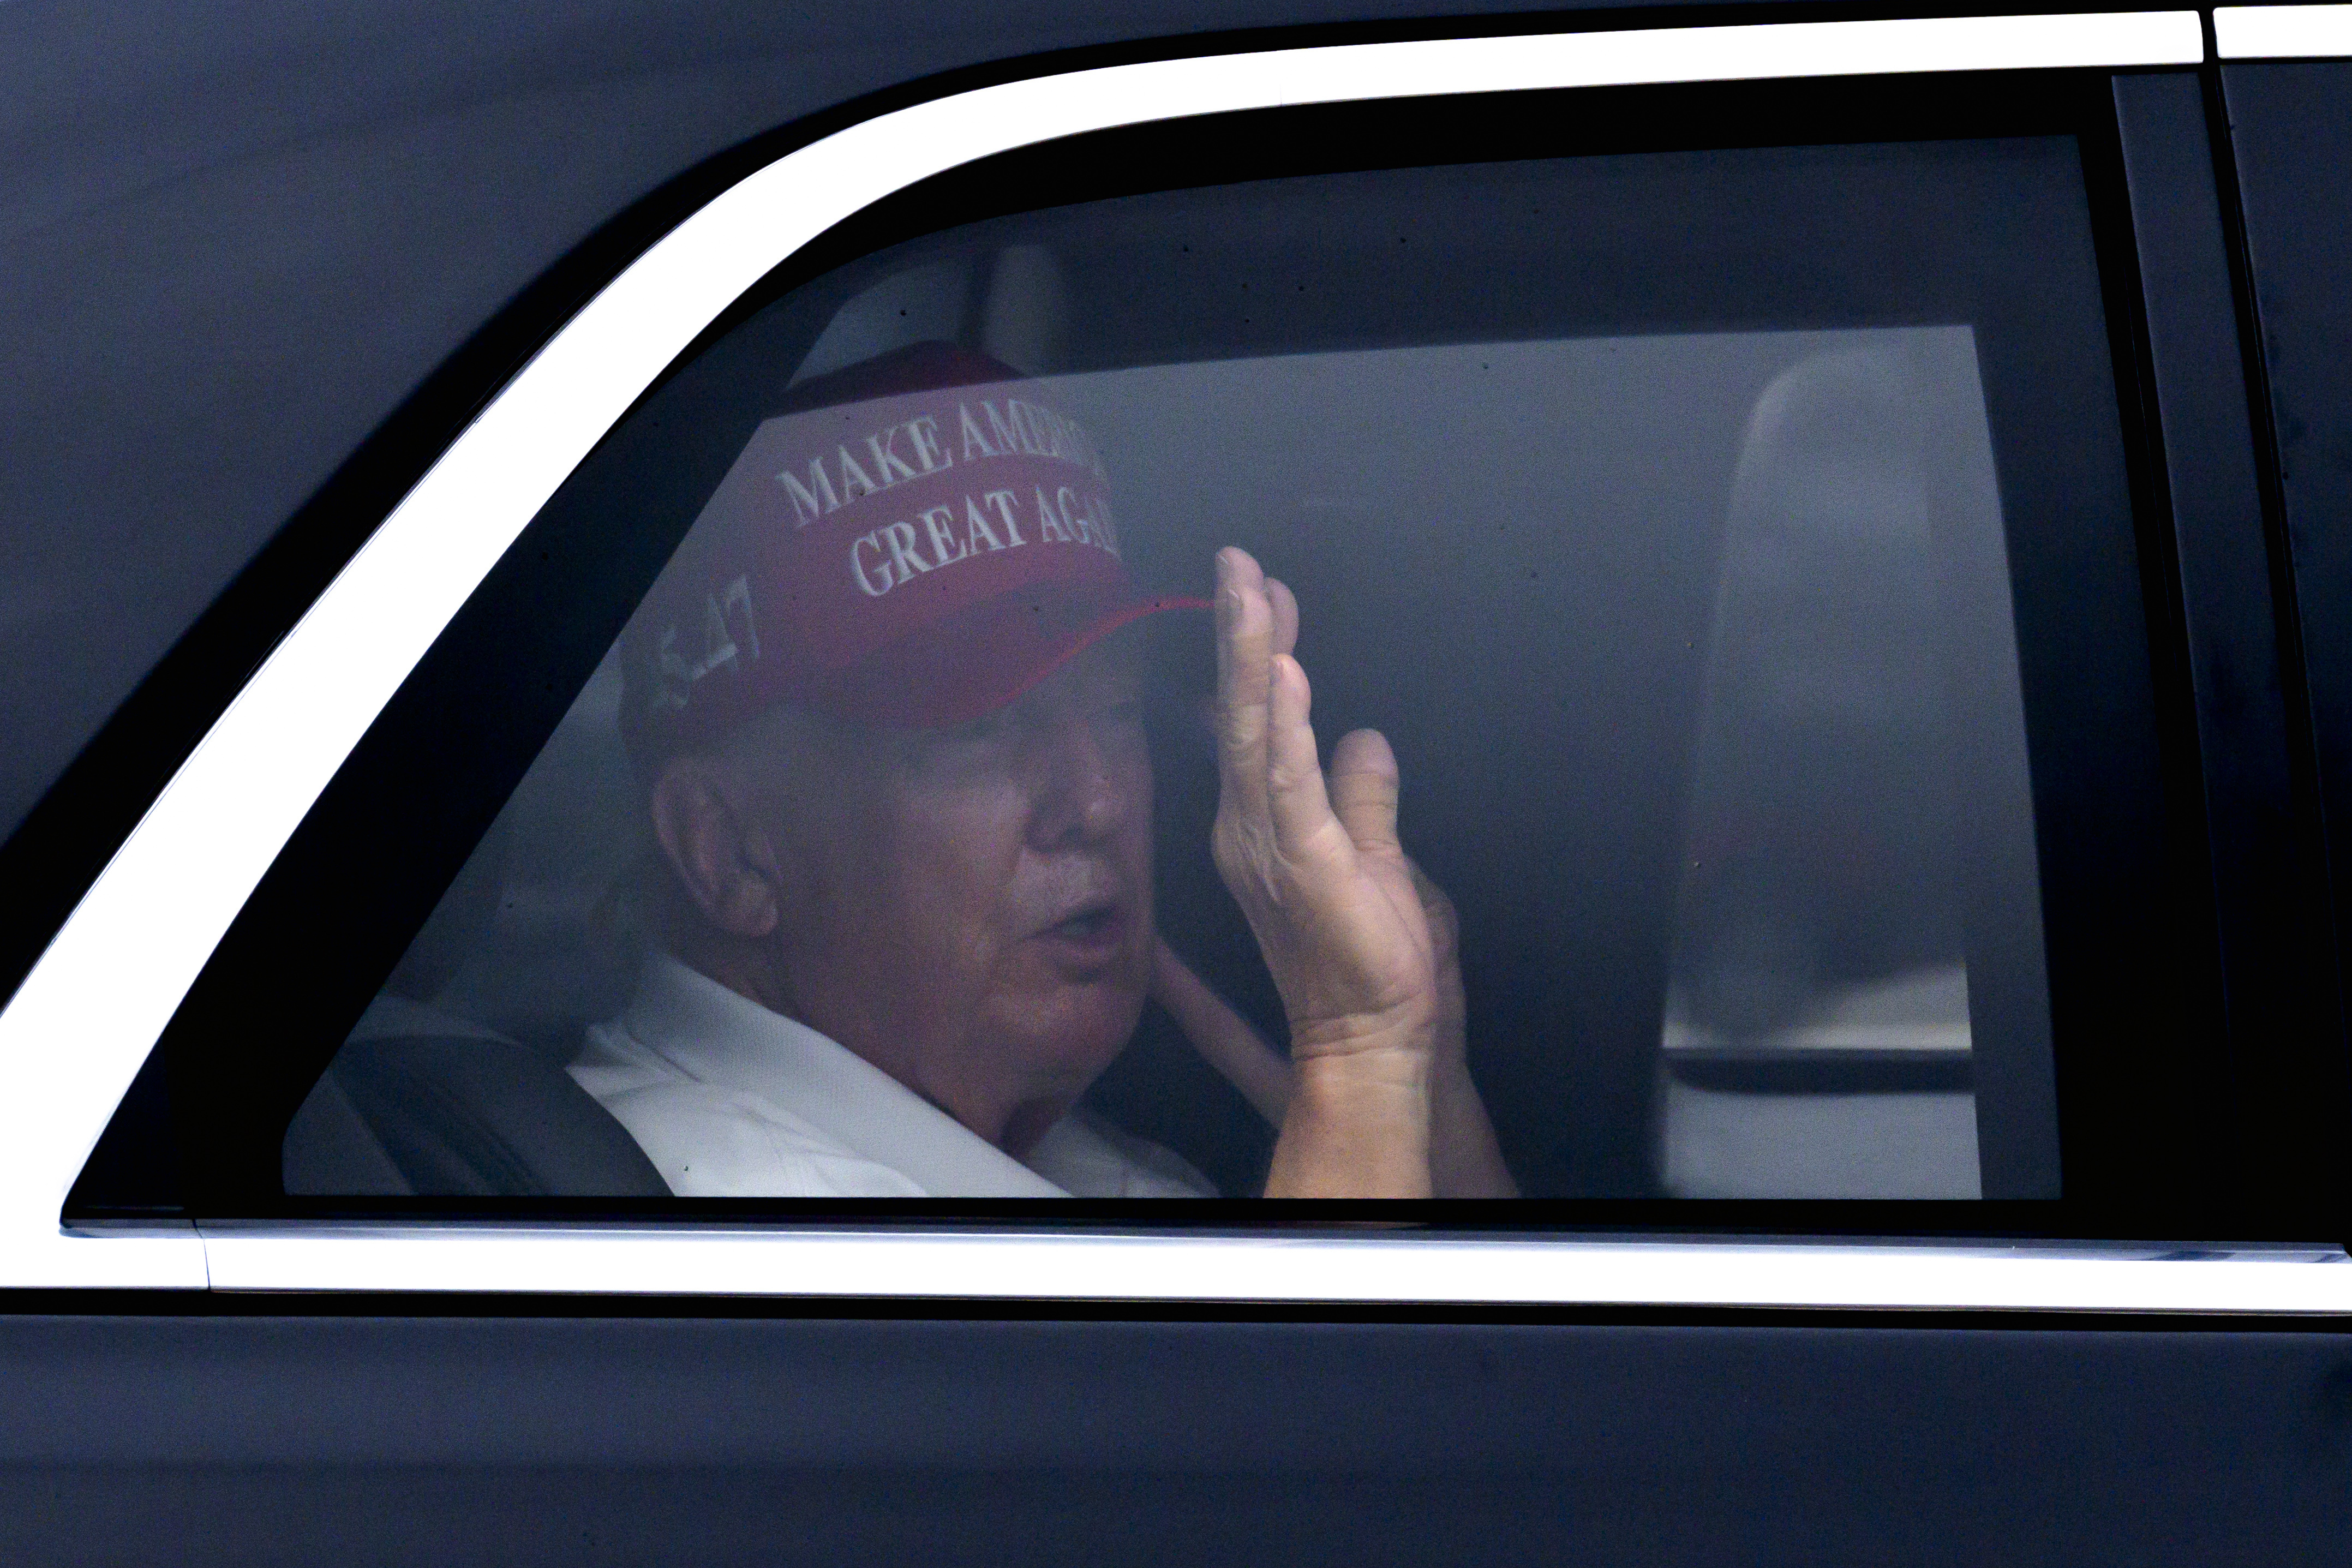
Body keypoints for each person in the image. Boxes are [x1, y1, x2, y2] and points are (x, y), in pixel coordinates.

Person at [571, 345, 1515, 1198]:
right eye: (978, 728)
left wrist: (1418, 1102)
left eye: (1116, 711)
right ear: (727, 850)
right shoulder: (737, 1232)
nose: (1098, 800)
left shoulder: (1029, 1160)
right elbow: (1322, 1399)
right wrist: (1360, 1062)